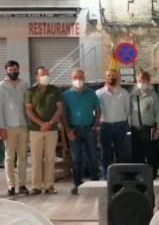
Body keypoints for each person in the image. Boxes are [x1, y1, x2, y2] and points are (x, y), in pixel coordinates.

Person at [24, 66, 63, 195]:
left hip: (51, 130)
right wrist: (41, 123)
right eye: (42, 74)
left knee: (50, 158)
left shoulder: (55, 90)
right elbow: (28, 110)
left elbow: (59, 108)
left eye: (47, 74)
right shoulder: (30, 91)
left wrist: (50, 123)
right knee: (36, 159)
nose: (45, 77)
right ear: (36, 77)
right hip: (35, 130)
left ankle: (49, 186)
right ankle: (36, 186)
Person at [63, 68, 101, 195]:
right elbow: (63, 115)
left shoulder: (91, 93)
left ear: (84, 79)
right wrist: (68, 131)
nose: (77, 80)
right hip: (74, 130)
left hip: (89, 128)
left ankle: (95, 182)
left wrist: (95, 125)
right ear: (71, 79)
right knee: (76, 159)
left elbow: (98, 110)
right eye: (75, 78)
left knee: (93, 157)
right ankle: (77, 184)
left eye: (80, 77)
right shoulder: (66, 95)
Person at [0, 60, 30, 195]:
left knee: (23, 157)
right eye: (11, 70)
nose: (13, 72)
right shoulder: (1, 86)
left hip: (23, 126)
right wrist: (1, 127)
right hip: (8, 127)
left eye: (15, 69)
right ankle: (11, 185)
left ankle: (22, 185)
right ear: (6, 71)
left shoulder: (25, 85)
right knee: (9, 157)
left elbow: (28, 106)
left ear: (19, 70)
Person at [96, 69, 130, 179]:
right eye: (109, 75)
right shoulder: (98, 93)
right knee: (105, 153)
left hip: (120, 125)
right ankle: (105, 176)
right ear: (105, 78)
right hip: (105, 126)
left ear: (118, 78)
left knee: (121, 152)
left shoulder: (124, 93)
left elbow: (127, 110)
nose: (112, 77)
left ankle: (121, 176)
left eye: (114, 75)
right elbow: (96, 111)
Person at [130, 70, 159, 178]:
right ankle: (139, 176)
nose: (141, 83)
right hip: (136, 129)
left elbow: (157, 113)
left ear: (148, 81)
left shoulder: (153, 95)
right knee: (137, 154)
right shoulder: (132, 95)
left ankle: (152, 176)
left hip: (149, 129)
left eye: (143, 81)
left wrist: (158, 130)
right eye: (139, 81)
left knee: (151, 154)